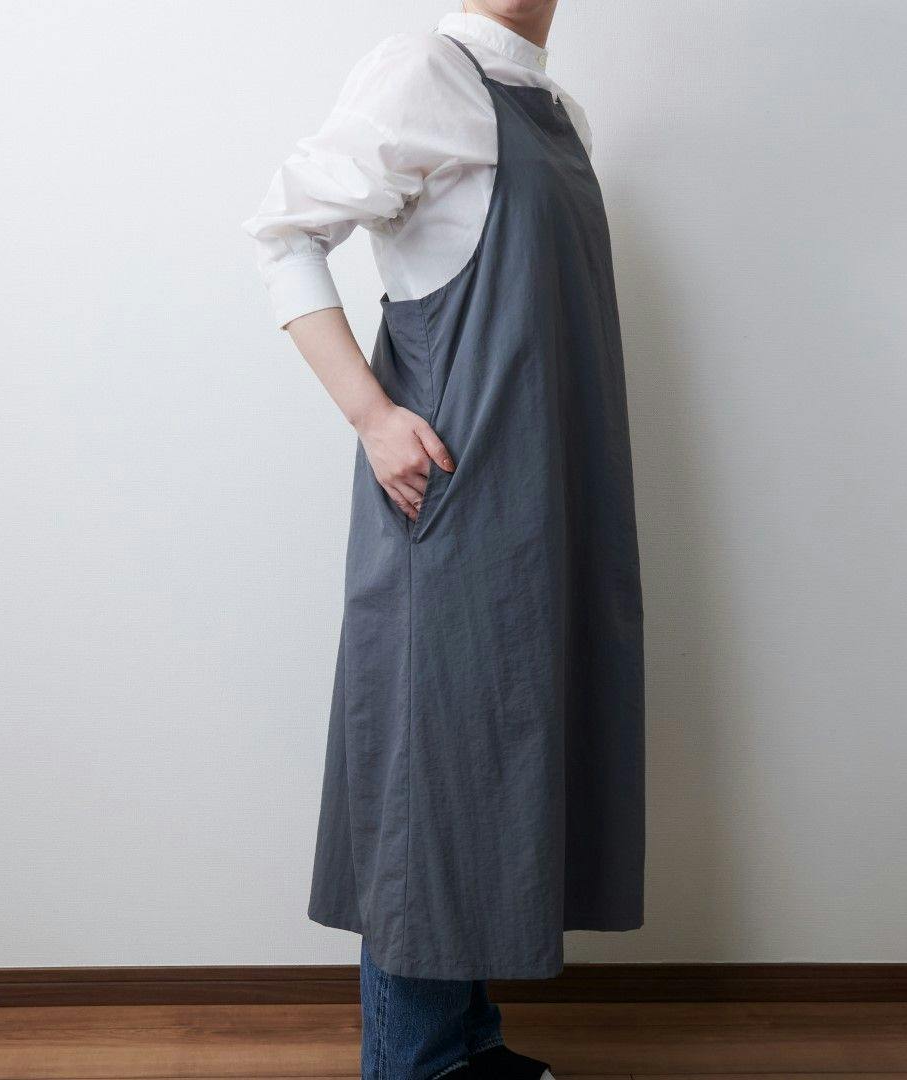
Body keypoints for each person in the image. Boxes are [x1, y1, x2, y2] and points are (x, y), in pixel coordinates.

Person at [242, 3, 645, 1077]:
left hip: (548, 491)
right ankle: (414, 1065)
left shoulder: (555, 110)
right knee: (433, 778)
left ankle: (468, 1049)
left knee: (492, 771)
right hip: (457, 495)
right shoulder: (423, 70)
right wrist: (372, 418)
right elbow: (285, 232)